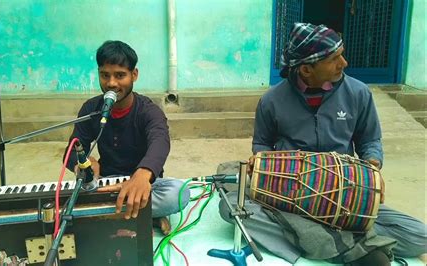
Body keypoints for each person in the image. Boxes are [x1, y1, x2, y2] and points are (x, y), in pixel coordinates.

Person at [219, 23, 426, 265]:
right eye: (335, 58)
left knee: (420, 236)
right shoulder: (271, 101)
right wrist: (261, 161)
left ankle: (314, 238)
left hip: (346, 194)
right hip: (289, 195)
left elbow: (370, 140)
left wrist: (372, 165)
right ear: (306, 69)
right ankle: (350, 242)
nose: (344, 63)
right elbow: (262, 144)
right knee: (229, 205)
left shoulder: (359, 94)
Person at [65, 40, 190, 234]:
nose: (111, 83)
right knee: (63, 199)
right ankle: (143, 213)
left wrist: (142, 175)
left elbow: (160, 143)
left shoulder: (149, 111)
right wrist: (83, 163)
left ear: (134, 75)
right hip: (108, 183)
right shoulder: (91, 108)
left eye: (120, 75)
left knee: (178, 193)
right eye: (105, 75)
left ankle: (106, 215)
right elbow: (72, 149)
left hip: (146, 183)